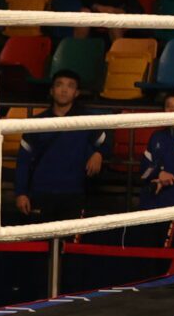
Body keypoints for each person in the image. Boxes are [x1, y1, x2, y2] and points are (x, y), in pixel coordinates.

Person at [13, 71, 105, 226]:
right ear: (51, 91)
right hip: (40, 193)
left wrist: (99, 153)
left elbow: (105, 143)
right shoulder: (36, 123)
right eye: (59, 85)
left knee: (69, 241)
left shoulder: (87, 121)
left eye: (70, 86)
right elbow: (23, 161)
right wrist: (21, 193)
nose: (64, 90)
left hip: (74, 194)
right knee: (40, 240)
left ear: (76, 93)